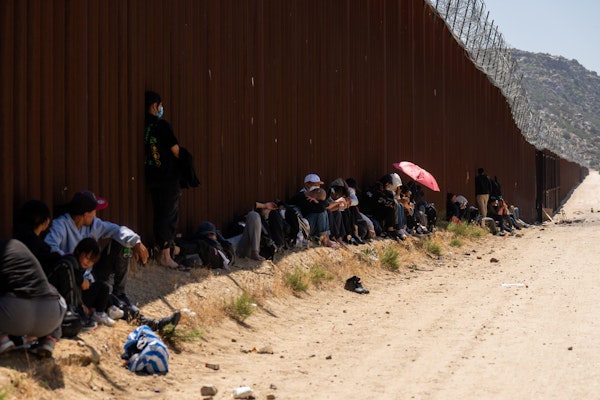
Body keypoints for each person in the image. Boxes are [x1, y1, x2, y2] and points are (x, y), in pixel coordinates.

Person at [44, 190, 149, 317]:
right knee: (110, 301)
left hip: (92, 275)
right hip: (75, 280)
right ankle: (132, 314)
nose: (95, 213)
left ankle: (119, 292)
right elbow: (50, 247)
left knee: (123, 242)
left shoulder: (92, 224)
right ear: (85, 214)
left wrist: (136, 242)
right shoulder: (61, 224)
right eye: (94, 211)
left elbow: (116, 230)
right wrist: (74, 267)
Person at [0, 239, 66, 357]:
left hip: (15, 316)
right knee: (55, 294)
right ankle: (49, 339)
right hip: (50, 318)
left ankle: (2, 340)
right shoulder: (17, 246)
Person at [144, 90, 182, 269]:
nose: (161, 109)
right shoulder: (162, 126)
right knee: (168, 214)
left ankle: (164, 252)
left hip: (153, 177)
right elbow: (175, 150)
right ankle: (165, 256)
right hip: (168, 177)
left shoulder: (145, 126)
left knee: (159, 214)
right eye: (160, 106)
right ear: (155, 106)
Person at [288, 174, 339, 248]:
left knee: (325, 212)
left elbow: (325, 204)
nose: (317, 187)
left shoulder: (315, 195)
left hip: (312, 225)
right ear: (307, 185)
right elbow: (321, 208)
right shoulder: (301, 197)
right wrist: (319, 203)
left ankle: (326, 238)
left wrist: (318, 202)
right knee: (321, 212)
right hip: (304, 228)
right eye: (315, 184)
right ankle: (324, 239)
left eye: (318, 184)